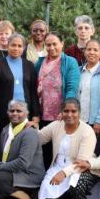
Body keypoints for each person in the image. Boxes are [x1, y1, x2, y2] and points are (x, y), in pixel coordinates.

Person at [38, 98, 100, 199]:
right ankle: (66, 196)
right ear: (61, 112)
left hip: (83, 168)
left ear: (80, 113)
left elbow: (82, 163)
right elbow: (39, 138)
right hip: (59, 166)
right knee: (47, 187)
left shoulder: (87, 131)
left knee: (78, 183)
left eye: (73, 111)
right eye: (66, 111)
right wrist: (29, 126)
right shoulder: (56, 125)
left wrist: (63, 173)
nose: (69, 114)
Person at [0, 100, 45, 199]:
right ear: (7, 112)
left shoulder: (30, 133)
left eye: (19, 111)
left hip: (29, 174)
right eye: (12, 111)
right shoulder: (6, 130)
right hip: (13, 171)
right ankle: (13, 195)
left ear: (26, 113)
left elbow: (23, 163)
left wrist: (1, 167)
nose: (15, 113)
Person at [35, 32, 80, 168]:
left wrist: (65, 110)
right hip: (42, 115)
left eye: (55, 44)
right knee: (44, 151)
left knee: (60, 152)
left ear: (62, 44)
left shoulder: (70, 62)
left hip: (60, 116)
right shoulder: (39, 62)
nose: (51, 47)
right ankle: (44, 182)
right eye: (48, 45)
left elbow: (72, 88)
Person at [0, 33, 40, 135]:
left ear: (24, 48)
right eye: (13, 45)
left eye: (19, 46)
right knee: (6, 143)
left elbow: (33, 92)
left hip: (25, 113)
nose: (16, 48)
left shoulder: (29, 65)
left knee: (23, 143)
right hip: (5, 113)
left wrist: (36, 114)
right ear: (7, 46)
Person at [77, 40, 100, 156]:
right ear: (84, 52)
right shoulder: (78, 71)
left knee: (95, 156)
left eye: (95, 50)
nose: (91, 52)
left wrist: (99, 121)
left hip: (98, 124)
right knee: (79, 154)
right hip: (79, 122)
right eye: (89, 49)